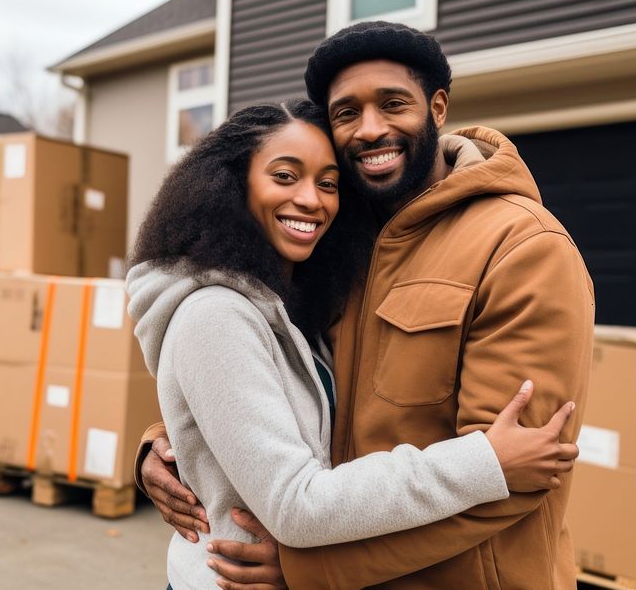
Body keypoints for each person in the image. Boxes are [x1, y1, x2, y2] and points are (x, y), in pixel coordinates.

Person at [126, 98, 580, 590]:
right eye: (284, 176)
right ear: (231, 187)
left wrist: (178, 438)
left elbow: (280, 411)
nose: (311, 200)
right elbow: (294, 501)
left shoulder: (300, 302)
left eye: (327, 183)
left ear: (438, 107)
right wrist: (485, 461)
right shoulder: (217, 312)